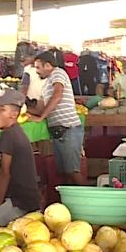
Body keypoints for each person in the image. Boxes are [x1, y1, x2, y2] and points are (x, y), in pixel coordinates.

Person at [30, 50, 85, 185]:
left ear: (48, 65)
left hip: (68, 130)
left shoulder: (58, 73)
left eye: (38, 67)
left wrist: (41, 117)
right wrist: (25, 111)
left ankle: (94, 202)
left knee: (72, 171)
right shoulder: (46, 85)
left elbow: (58, 96)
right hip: (58, 133)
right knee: (65, 173)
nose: (37, 71)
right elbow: (40, 108)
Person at [0, 90, 41, 226]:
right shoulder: (16, 130)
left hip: (21, 203)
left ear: (14, 115)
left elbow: (5, 174)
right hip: (28, 198)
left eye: (1, 110)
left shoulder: (8, 135)